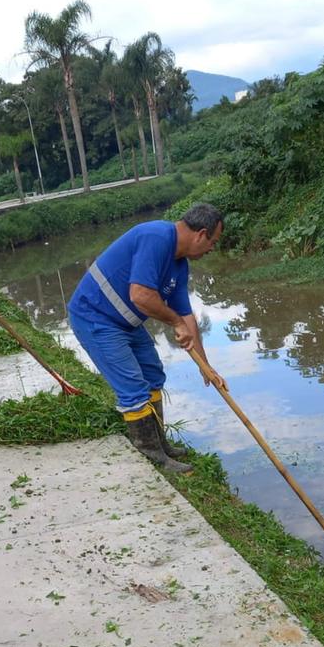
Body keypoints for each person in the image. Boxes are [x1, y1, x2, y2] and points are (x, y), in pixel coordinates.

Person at [66, 203, 227, 474]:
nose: (212, 248)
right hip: (95, 317)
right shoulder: (156, 238)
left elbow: (187, 317)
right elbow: (140, 295)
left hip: (126, 322)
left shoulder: (179, 265)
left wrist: (205, 366)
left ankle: (160, 443)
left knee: (153, 374)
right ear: (201, 234)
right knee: (133, 388)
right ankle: (152, 455)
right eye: (213, 242)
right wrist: (174, 321)